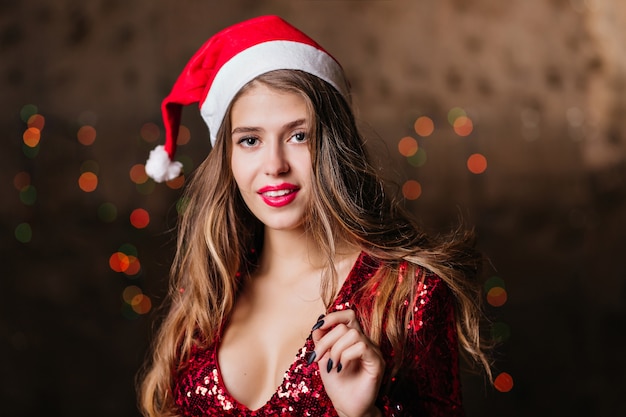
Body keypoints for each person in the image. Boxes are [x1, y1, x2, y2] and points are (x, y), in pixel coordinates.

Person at [138, 15, 490, 417]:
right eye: (250, 140)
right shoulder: (209, 289)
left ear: (334, 146)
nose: (274, 165)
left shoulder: (406, 294)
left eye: (298, 136)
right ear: (228, 157)